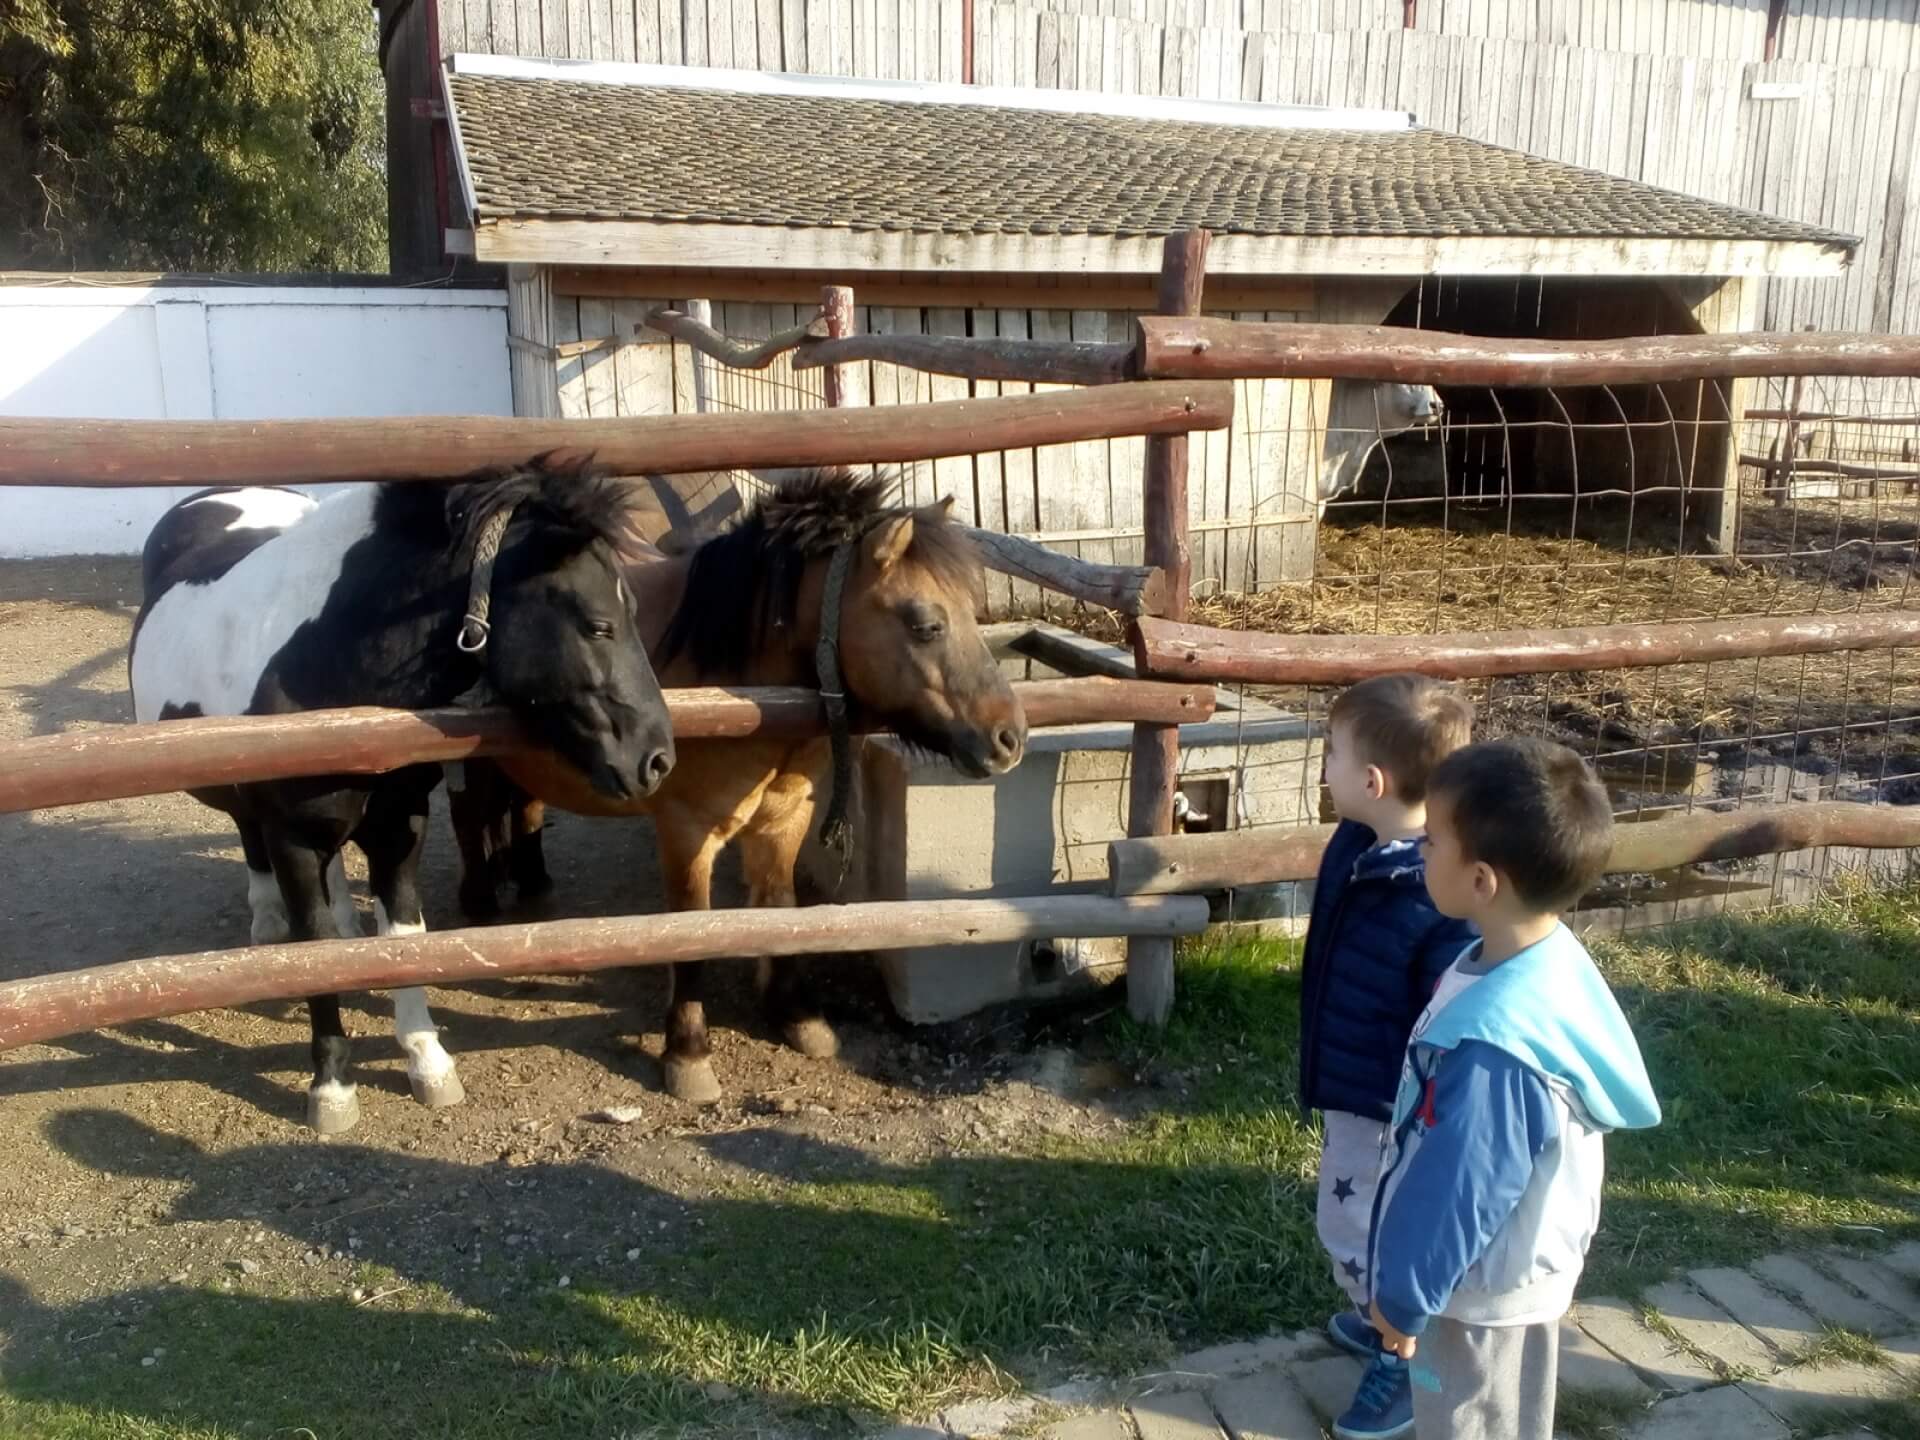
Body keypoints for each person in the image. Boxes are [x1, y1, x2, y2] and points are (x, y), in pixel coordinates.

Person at [1344, 737, 1661, 1440]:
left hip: (1478, 1295)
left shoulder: (1498, 1046)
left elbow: (1462, 1185)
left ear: (1483, 881)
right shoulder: (1540, 957)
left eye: (1431, 841)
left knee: (1465, 1418)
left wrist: (1401, 1299)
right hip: (1504, 1275)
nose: (1421, 850)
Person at [1297, 673, 1476, 1425]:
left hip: (1388, 1099)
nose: (1324, 766)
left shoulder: (1431, 893)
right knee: (1357, 1220)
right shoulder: (1359, 843)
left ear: (1370, 780)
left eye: (1330, 752)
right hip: (1351, 1075)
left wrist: (1417, 1102)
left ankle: (1405, 1357)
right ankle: (1382, 1322)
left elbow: (1448, 1009)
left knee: (1359, 1224)